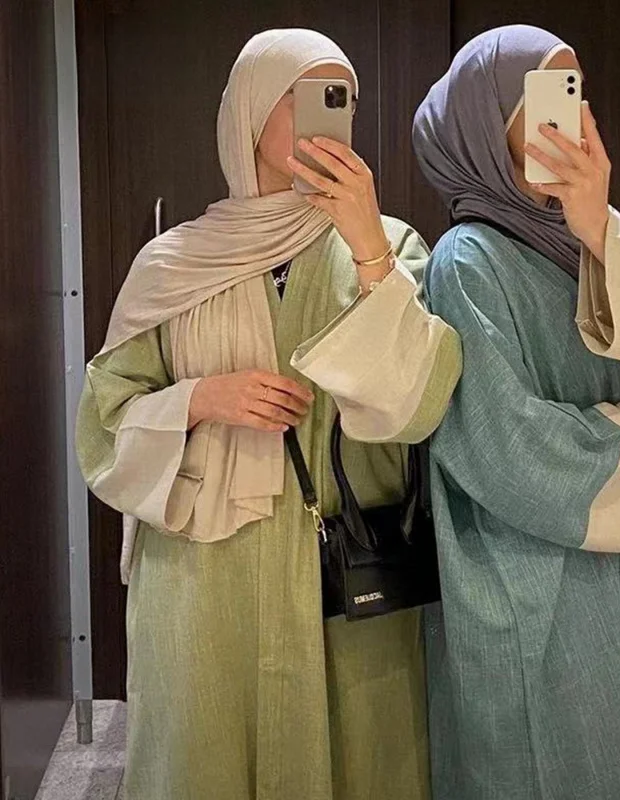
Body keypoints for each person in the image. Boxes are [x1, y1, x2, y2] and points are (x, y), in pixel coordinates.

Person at [76, 28, 461, 800]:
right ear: (250, 112)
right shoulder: (172, 262)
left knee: (360, 762)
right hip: (202, 584)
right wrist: (200, 399)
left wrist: (367, 246)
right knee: (205, 760)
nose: (329, 116)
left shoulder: (390, 246)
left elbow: (419, 404)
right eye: (305, 97)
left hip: (345, 577)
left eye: (342, 100)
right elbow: (103, 424)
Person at [413, 25, 620, 800]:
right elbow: (500, 444)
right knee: (543, 762)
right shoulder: (467, 260)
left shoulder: (592, 239)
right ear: (488, 123)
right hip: (528, 575)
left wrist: (600, 231)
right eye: (551, 96)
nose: (575, 119)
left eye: (578, 94)